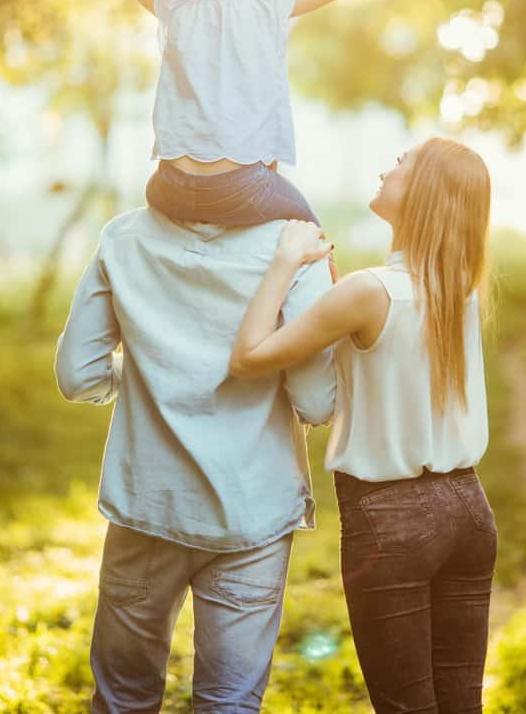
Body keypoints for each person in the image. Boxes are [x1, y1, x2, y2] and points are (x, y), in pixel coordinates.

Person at [230, 138, 496, 714]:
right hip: (470, 510)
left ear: (422, 191)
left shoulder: (367, 292)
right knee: (460, 704)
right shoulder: (459, 291)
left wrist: (286, 262)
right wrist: (335, 285)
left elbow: (249, 357)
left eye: (400, 163)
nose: (385, 167)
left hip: (390, 519)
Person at [35, 0, 475, 241]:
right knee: (313, 240)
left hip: (166, 188)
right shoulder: (271, 6)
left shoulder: (173, 6)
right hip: (241, 191)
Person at [55, 206, 337, 712]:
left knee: (123, 699)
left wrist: (146, 379)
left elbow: (79, 374)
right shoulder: (297, 247)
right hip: (254, 512)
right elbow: (317, 401)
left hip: (147, 506)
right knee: (229, 702)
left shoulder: (123, 235)